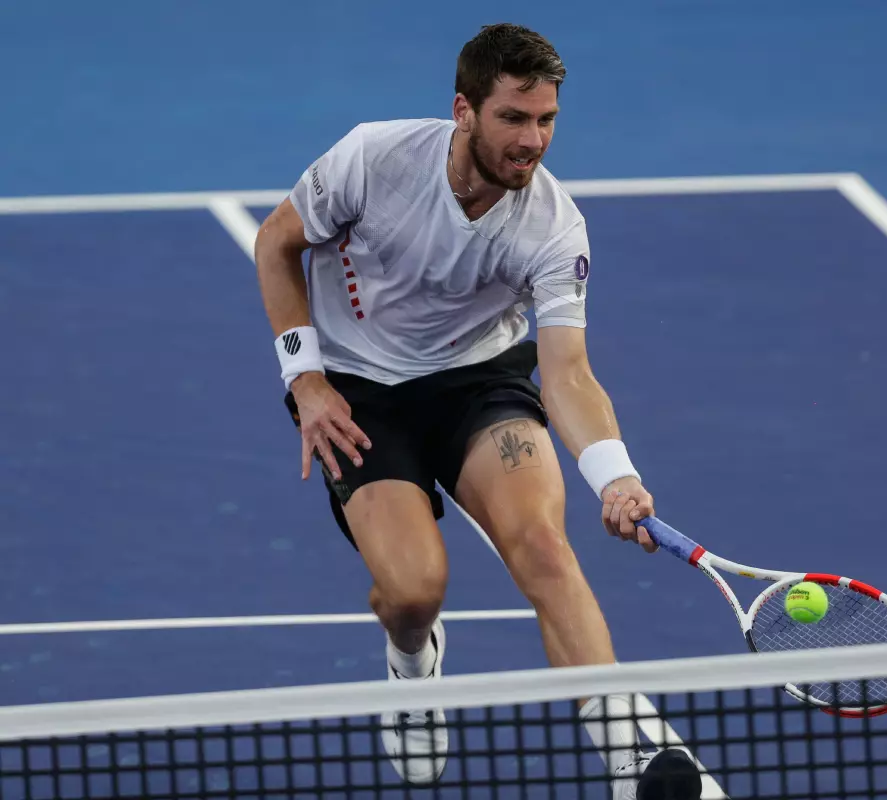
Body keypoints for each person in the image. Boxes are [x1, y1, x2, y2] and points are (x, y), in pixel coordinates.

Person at [253, 22, 701, 800]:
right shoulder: (375, 157)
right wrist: (307, 382)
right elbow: (276, 244)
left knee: (542, 546)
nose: (534, 141)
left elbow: (567, 375)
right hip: (360, 388)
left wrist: (616, 475)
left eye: (547, 120)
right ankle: (412, 660)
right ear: (465, 111)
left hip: (478, 381)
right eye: (514, 119)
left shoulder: (554, 227)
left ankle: (626, 755)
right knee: (413, 591)